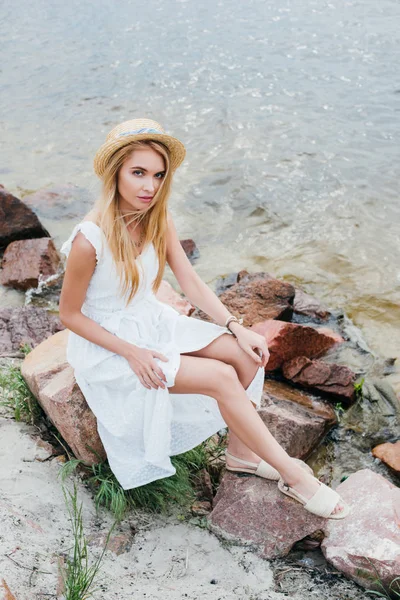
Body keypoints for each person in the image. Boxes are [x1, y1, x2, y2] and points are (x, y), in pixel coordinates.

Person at [59, 118, 350, 520]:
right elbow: (69, 315)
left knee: (247, 355)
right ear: (116, 173)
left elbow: (191, 282)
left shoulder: (157, 218)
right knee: (220, 377)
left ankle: (242, 455)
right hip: (110, 345)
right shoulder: (87, 240)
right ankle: (295, 476)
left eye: (158, 175)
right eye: (138, 173)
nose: (149, 186)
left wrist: (236, 326)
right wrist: (132, 353)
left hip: (151, 321)